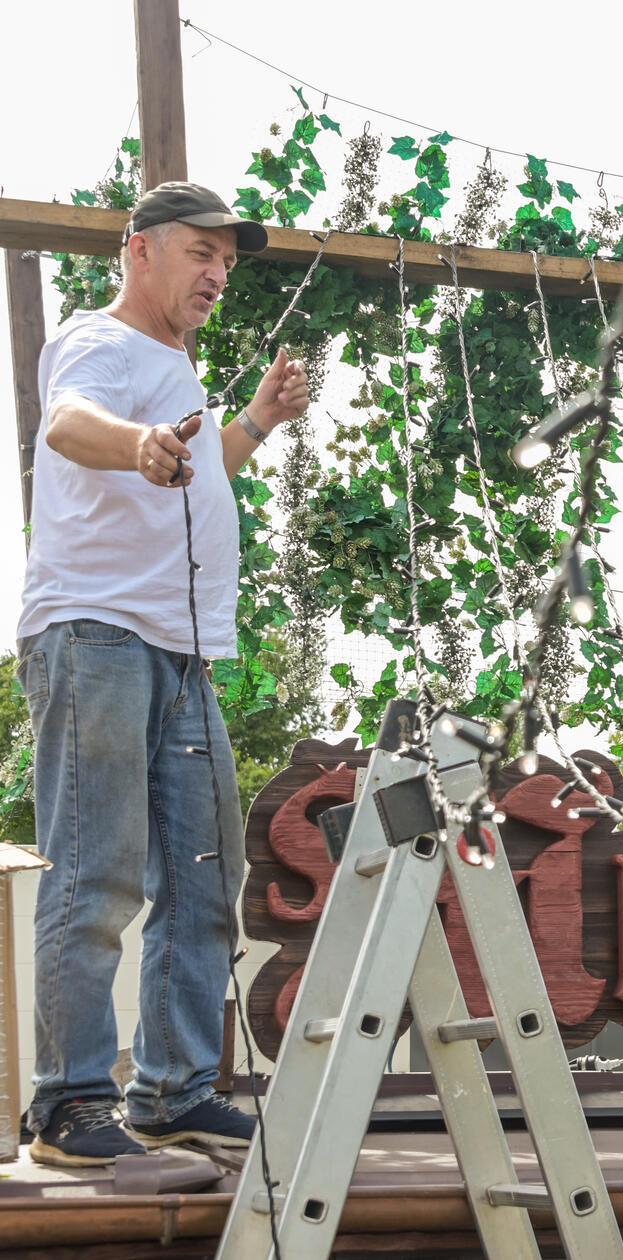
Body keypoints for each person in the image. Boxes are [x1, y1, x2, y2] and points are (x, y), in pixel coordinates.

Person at [16, 182, 309, 1166]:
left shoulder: (175, 366)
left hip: (180, 652)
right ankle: (68, 1104)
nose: (219, 273)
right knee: (96, 873)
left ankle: (176, 1092)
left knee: (202, 876)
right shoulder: (101, 344)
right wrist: (136, 443)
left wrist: (256, 422)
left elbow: (199, 469)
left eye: (228, 259)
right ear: (138, 249)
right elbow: (66, 425)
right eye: (200, 252)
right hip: (95, 636)